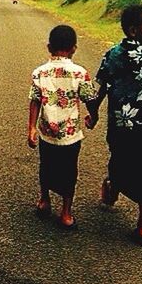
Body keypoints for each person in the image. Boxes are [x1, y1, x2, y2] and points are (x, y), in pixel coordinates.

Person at [88, 4, 142, 247]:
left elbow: (102, 86)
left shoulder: (112, 54)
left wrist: (93, 113)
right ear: (134, 30)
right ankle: (141, 224)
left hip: (119, 122)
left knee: (120, 159)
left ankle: (122, 195)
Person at [28, 25, 97, 229]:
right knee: (69, 171)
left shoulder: (39, 72)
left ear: (49, 47)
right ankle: (66, 212)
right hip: (71, 134)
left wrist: (31, 128)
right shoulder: (80, 73)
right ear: (74, 48)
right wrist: (94, 116)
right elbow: (90, 98)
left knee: (46, 166)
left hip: (46, 132)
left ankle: (44, 200)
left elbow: (35, 100)